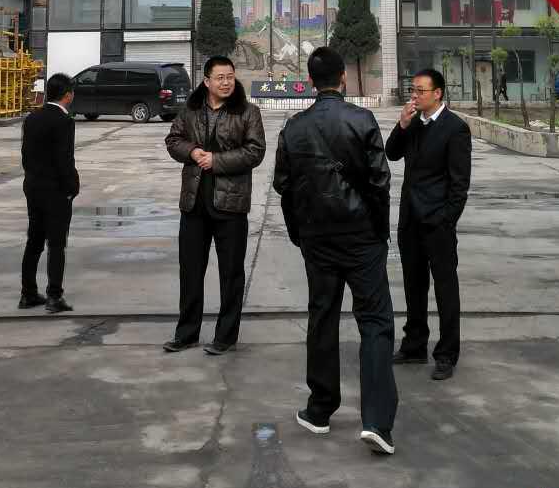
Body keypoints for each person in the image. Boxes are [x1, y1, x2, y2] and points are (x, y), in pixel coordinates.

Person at [273, 47, 398, 457]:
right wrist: (378, 231)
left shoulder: (294, 127)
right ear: (343, 77)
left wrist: (300, 232)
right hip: (362, 237)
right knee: (375, 322)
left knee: (322, 316)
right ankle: (377, 422)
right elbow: (380, 181)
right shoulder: (362, 119)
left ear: (310, 81)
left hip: (318, 238)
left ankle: (320, 409)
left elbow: (283, 186)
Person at [164, 57, 266, 355]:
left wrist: (217, 161)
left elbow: (255, 151)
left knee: (231, 274)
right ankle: (187, 334)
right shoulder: (191, 110)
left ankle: (225, 336)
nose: (226, 82)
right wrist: (192, 151)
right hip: (193, 203)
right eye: (220, 77)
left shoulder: (248, 112)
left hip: (230, 205)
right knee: (190, 271)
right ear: (206, 81)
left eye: (230, 76)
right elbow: (173, 139)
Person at [387, 68, 471, 381]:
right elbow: (391, 153)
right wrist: (401, 124)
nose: (415, 95)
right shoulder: (413, 124)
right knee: (414, 284)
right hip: (410, 219)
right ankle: (414, 344)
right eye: (413, 90)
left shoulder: (455, 128)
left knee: (445, 288)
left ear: (438, 93)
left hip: (437, 222)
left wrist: (446, 219)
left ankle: (446, 353)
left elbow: (459, 184)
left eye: (420, 91)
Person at [20, 71, 79, 314]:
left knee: (34, 241)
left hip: (33, 187)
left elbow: (25, 155)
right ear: (67, 95)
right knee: (56, 244)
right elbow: (64, 159)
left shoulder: (32, 118)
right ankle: (54, 296)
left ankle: (28, 293)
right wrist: (71, 188)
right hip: (55, 191)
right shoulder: (64, 121)